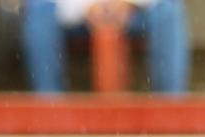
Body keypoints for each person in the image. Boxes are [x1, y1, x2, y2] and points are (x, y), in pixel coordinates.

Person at [21, 0, 187, 94]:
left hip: (135, 13)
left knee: (168, 10)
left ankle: (169, 107)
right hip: (74, 15)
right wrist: (85, 7)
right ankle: (50, 109)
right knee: (39, 10)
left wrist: (128, 3)